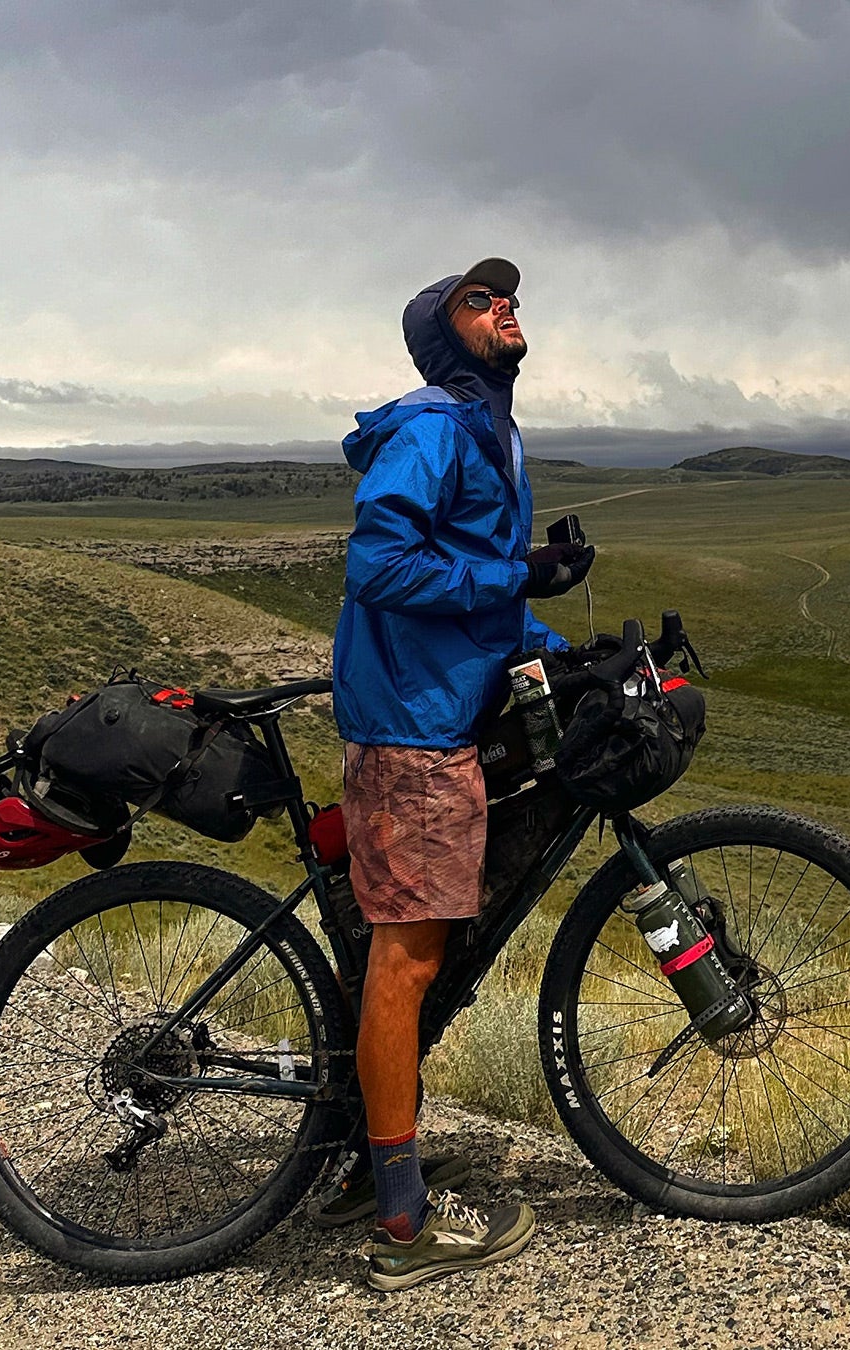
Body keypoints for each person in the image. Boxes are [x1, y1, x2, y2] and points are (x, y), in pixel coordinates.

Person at [320, 257, 594, 1291]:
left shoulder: (489, 429)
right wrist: (513, 573)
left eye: (508, 296)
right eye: (479, 302)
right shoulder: (438, 425)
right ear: (444, 339)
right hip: (411, 728)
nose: (505, 307)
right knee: (408, 964)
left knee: (411, 955)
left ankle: (360, 1157)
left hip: (439, 709)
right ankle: (400, 1230)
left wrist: (540, 625)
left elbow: (466, 584)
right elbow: (378, 567)